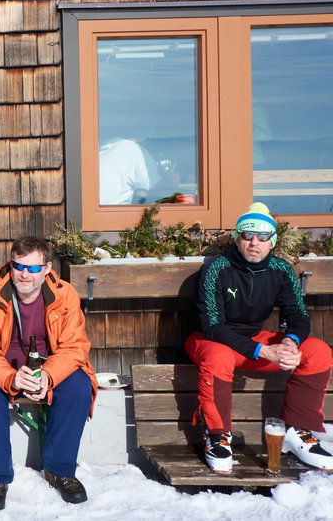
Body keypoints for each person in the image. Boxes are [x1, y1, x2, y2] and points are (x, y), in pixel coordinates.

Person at [185, 202, 333, 473]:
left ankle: (298, 430)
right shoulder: (217, 268)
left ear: (272, 241)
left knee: (318, 350)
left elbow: (298, 315)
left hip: (254, 340)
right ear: (237, 237)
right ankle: (217, 435)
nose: (255, 242)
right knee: (217, 355)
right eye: (247, 235)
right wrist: (263, 351)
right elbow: (213, 326)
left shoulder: (281, 269)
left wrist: (290, 341)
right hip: (213, 340)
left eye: (263, 237)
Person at [0, 236, 96, 510]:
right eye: (19, 266)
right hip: (3, 365)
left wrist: (49, 375)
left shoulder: (64, 294)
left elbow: (74, 347)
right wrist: (10, 377)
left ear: (46, 269)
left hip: (49, 365)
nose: (25, 274)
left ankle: (61, 469)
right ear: (10, 265)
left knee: (79, 387)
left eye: (33, 268)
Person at [98, 138, 162, 204]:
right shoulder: (133, 150)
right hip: (103, 211)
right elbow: (157, 188)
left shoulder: (127, 150)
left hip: (104, 211)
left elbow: (155, 190)